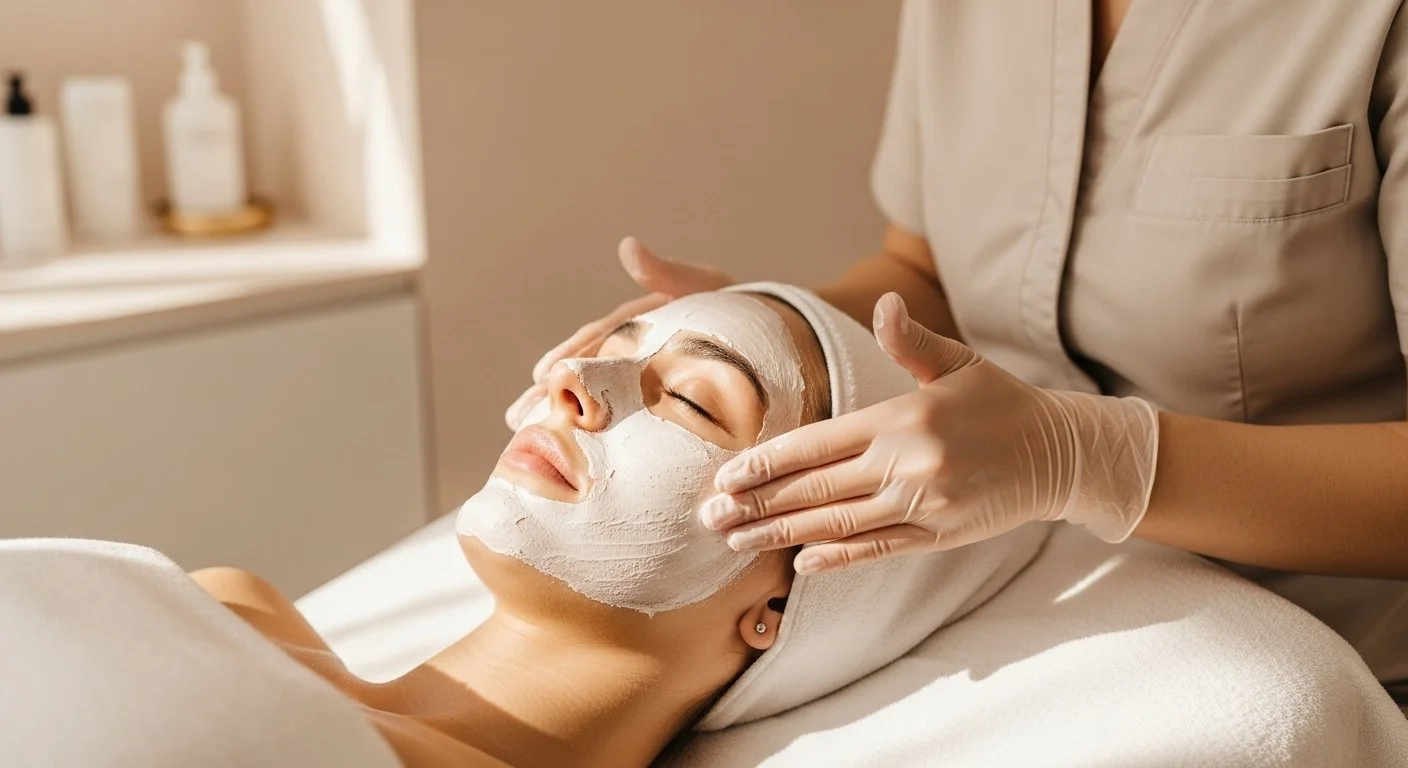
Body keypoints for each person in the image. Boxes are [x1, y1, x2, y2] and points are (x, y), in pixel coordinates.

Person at [517, 0, 1408, 701]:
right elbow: (922, 268)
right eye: (687, 398)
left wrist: (1093, 459)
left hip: (1343, 660)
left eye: (692, 402)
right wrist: (760, 326)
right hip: (1021, 612)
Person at [195, 286, 1041, 767]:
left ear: (782, 604)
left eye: (690, 400)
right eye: (619, 344)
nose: (573, 376)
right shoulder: (229, 611)